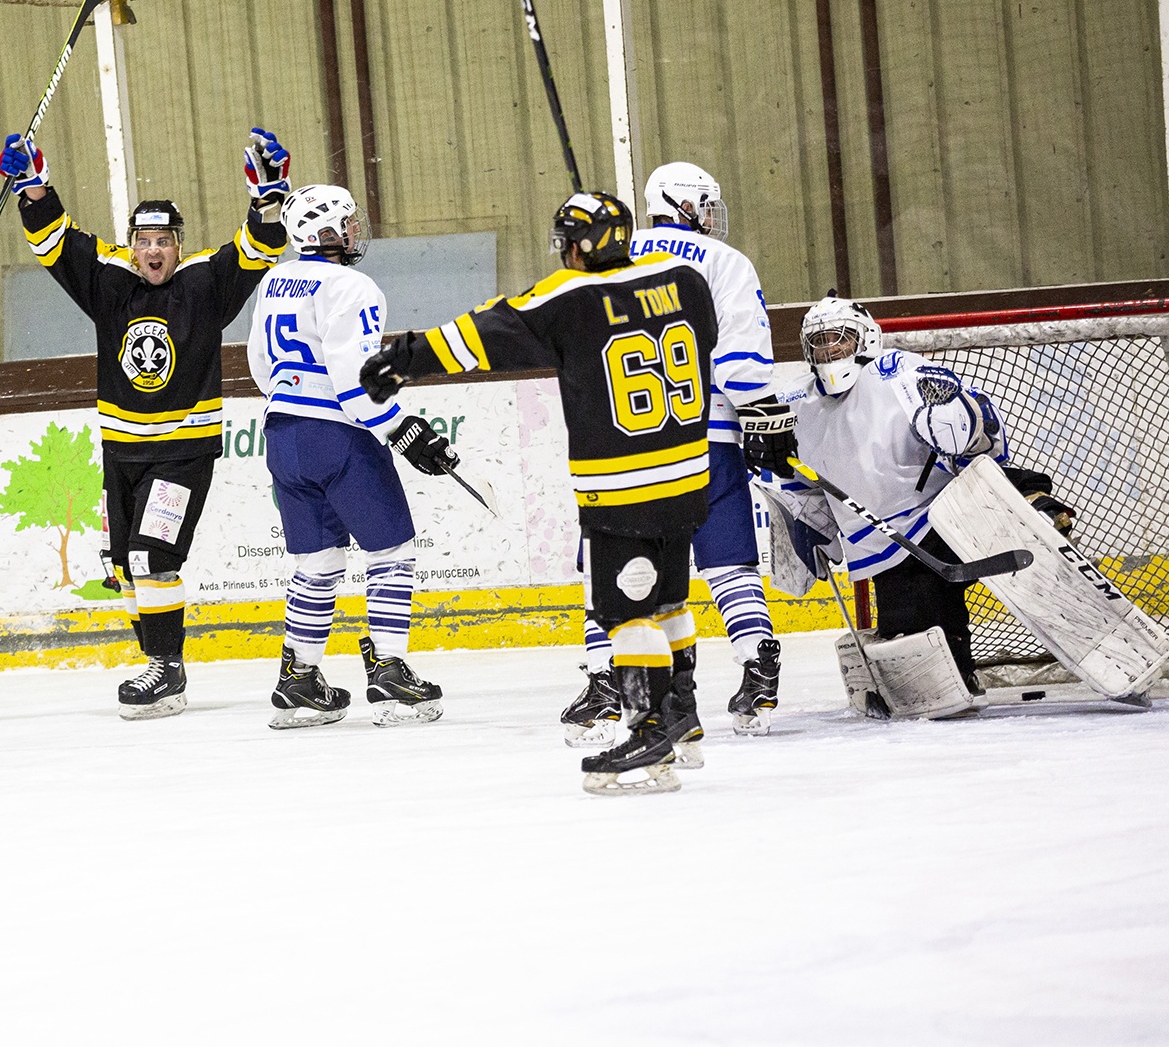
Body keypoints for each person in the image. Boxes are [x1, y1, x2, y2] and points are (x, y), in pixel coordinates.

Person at [361, 192, 718, 795]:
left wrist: (400, 359)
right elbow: (702, 338)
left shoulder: (564, 298)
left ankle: (649, 730)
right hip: (687, 478)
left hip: (622, 487)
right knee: (667, 602)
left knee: (625, 612)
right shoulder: (686, 279)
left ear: (579, 246)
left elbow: (476, 335)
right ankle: (683, 718)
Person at [0, 126, 288, 719]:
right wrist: (33, 188)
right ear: (131, 246)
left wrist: (269, 200)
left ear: (180, 246)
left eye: (165, 240)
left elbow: (257, 248)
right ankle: (158, 662)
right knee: (129, 571)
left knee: (155, 557)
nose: (154, 250)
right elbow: (57, 244)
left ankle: (167, 670)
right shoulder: (110, 283)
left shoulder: (205, 283)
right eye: (144, 239)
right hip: (120, 456)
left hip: (182, 454)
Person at [748, 296, 1073, 698]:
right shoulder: (796, 402)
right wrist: (799, 507)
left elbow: (981, 424)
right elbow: (800, 484)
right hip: (883, 544)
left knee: (991, 483)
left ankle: (1036, 508)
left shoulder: (897, 371)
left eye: (840, 339)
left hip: (940, 513)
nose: (829, 350)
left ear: (865, 339)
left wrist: (961, 422)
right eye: (819, 342)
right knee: (919, 637)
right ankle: (962, 676)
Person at [564, 162, 787, 749]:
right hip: (706, 438)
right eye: (707, 204)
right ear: (686, 205)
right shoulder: (726, 263)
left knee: (617, 567)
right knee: (728, 562)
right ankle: (758, 663)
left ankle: (606, 682)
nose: (713, 216)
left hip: (627, 447)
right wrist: (765, 418)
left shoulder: (614, 253)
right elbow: (740, 357)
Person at [246, 183, 459, 728]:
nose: (353, 230)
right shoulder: (353, 285)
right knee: (392, 552)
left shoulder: (273, 279)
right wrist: (401, 427)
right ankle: (388, 671)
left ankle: (298, 680)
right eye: (346, 222)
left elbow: (257, 366)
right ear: (325, 231)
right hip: (338, 436)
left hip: (283, 435)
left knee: (316, 564)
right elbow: (355, 378)